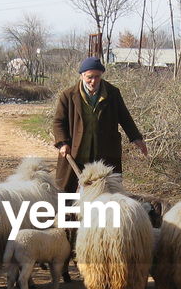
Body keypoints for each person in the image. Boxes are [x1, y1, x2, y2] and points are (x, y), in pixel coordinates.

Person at [53, 56, 147, 192]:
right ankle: (67, 213)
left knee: (105, 189)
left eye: (97, 77)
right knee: (67, 190)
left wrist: (137, 138)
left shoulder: (112, 93)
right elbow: (58, 122)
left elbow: (125, 118)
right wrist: (62, 143)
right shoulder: (68, 95)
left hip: (104, 150)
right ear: (82, 76)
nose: (93, 81)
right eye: (89, 77)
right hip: (76, 150)